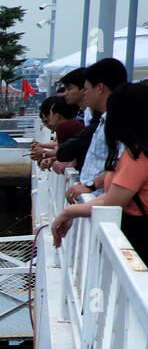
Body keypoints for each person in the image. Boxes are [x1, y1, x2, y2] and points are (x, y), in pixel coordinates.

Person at [52, 81, 148, 264]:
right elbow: (114, 195)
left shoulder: (137, 156)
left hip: (138, 241)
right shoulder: (137, 151)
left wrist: (68, 212)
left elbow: (112, 202)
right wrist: (70, 212)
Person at [61, 57, 127, 203]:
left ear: (99, 88)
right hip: (93, 202)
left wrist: (91, 186)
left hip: (101, 206)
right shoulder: (104, 121)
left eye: (87, 88)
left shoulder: (118, 122)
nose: (85, 94)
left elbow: (124, 168)